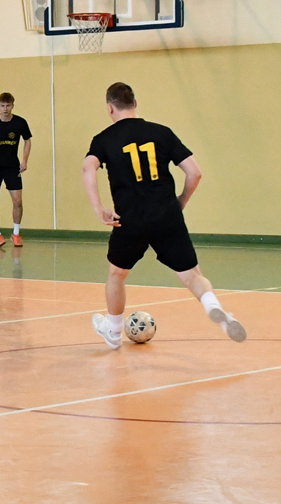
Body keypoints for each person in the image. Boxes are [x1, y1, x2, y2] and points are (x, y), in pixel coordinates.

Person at [82, 82, 246, 349]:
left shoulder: (104, 139)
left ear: (110, 108)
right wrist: (181, 201)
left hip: (130, 220)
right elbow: (195, 172)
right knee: (192, 275)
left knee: (117, 274)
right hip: (167, 216)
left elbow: (88, 168)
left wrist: (98, 208)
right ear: (135, 104)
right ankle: (214, 307)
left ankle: (113, 332)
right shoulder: (161, 132)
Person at [0, 92, 32, 247]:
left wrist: (25, 160)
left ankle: (16, 234)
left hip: (12, 167)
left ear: (12, 105)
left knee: (18, 201)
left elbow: (28, 140)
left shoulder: (20, 122)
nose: (5, 108)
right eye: (2, 105)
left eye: (8, 105)